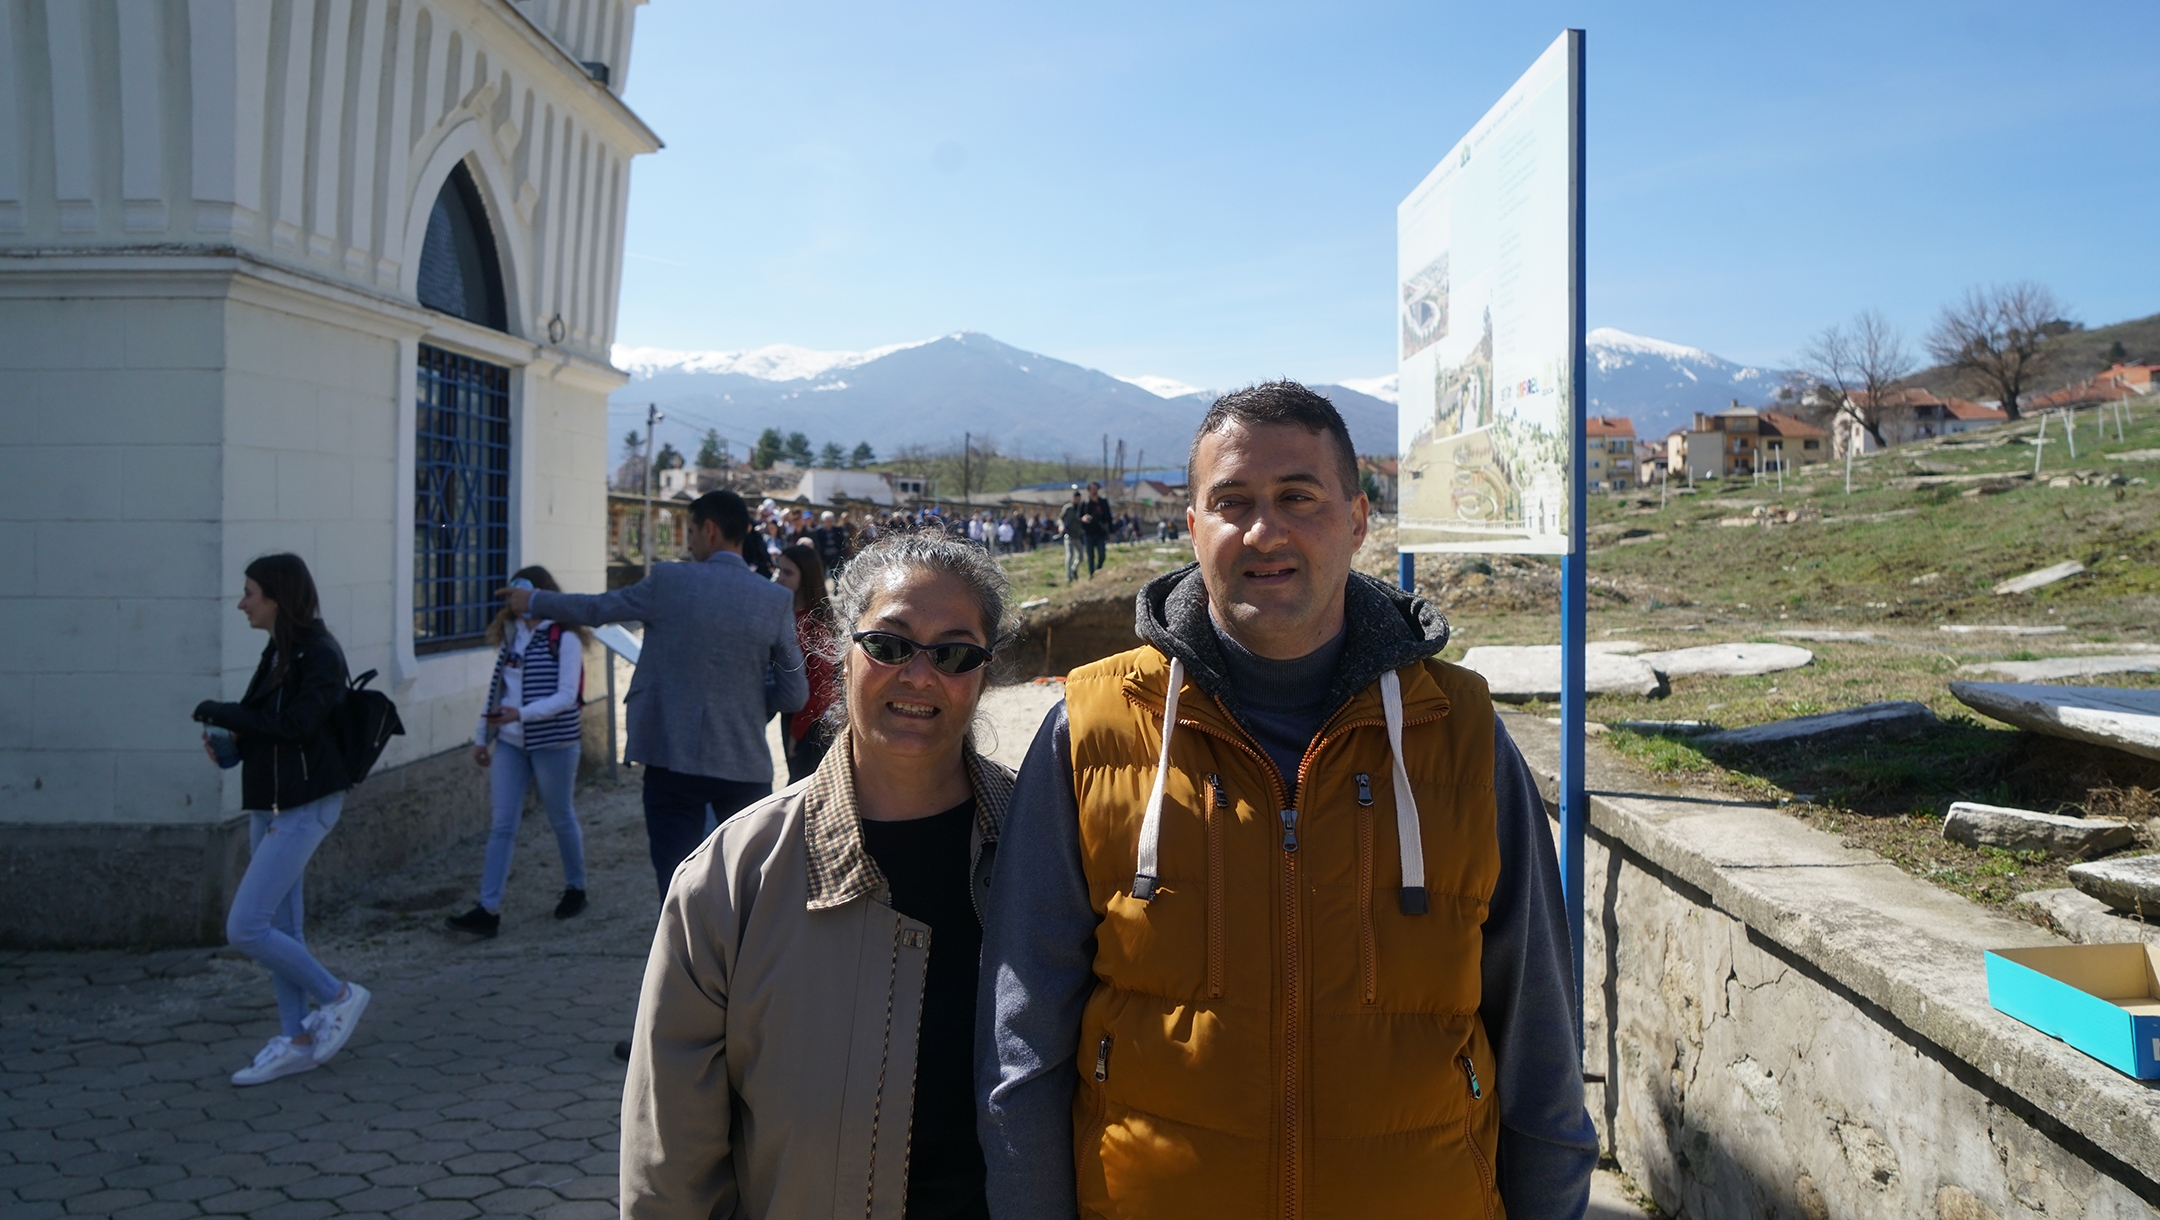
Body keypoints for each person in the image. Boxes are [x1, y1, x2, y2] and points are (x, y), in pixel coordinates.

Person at [978, 382, 1597, 1218]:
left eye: (1297, 497)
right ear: (1193, 528)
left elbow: (1541, 1044)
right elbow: (1023, 1046)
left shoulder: (1459, 735)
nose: (1263, 531)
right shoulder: (1090, 733)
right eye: (1230, 502)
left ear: (1358, 518)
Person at [621, 531, 1017, 1220]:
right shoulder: (729, 881)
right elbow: (671, 1169)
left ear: (985, 671)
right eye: (889, 645)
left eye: (953, 653)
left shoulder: (1051, 848)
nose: (919, 676)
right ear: (840, 649)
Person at [502, 490, 807, 901]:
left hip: (671, 757)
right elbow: (794, 694)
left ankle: (685, 961)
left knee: (677, 880)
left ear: (711, 530)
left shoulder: (669, 581)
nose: (689, 542)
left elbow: (597, 609)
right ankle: (741, 962)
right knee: (745, 886)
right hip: (743, 763)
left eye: (693, 531)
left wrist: (534, 599)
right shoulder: (774, 600)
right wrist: (749, 701)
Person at [192, 553, 372, 1086]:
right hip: (271, 801)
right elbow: (270, 728)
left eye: (250, 592)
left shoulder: (317, 653)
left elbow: (296, 725)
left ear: (277, 597)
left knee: (245, 926)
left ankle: (338, 995)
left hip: (305, 804)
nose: (242, 602)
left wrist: (223, 712)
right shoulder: (280, 652)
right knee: (281, 928)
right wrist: (232, 746)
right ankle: (295, 1038)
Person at [445, 566, 592, 939]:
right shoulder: (511, 636)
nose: (514, 601)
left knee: (560, 816)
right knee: (502, 825)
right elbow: (498, 690)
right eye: (512, 594)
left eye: (519, 593)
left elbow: (566, 696)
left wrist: (522, 714)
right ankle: (487, 909)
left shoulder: (565, 638)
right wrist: (483, 738)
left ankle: (576, 888)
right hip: (510, 742)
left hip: (554, 742)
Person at [773, 542, 839, 784]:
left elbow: (819, 683)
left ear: (806, 576)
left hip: (813, 720)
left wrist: (796, 732)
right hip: (792, 713)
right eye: (778, 570)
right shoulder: (785, 614)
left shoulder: (815, 623)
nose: (779, 578)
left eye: (788, 573)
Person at [1081, 481, 1112, 576]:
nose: (1094, 490)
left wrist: (1111, 531)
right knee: (1090, 557)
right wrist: (1083, 519)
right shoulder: (1085, 503)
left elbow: (1108, 518)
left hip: (1100, 533)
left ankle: (1098, 570)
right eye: (1092, 489)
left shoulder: (1103, 502)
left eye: (1095, 488)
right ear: (1089, 490)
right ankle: (1092, 575)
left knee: (1102, 555)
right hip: (1088, 533)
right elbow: (1078, 516)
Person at [1058, 488, 1085, 584]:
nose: (1076, 500)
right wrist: (1061, 526)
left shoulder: (1082, 508)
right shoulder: (1068, 508)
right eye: (1075, 498)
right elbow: (1060, 519)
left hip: (1078, 536)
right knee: (1070, 555)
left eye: (1078, 498)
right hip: (1068, 535)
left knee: (1081, 557)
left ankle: (1074, 569)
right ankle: (1069, 577)